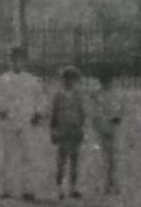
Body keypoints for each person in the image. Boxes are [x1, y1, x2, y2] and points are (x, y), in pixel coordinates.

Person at [0, 46, 46, 202]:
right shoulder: (2, 79)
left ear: (24, 61)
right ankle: (6, 189)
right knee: (8, 156)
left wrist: (38, 113)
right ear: (10, 61)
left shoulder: (32, 80)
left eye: (20, 59)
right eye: (14, 59)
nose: (17, 62)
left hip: (26, 121)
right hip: (9, 121)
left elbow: (41, 99)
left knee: (28, 155)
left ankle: (28, 189)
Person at [50, 66, 87, 200]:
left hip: (75, 130)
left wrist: (81, 128)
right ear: (62, 80)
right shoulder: (58, 96)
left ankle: (73, 188)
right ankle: (59, 188)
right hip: (62, 131)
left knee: (75, 161)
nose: (69, 82)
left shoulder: (78, 95)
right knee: (61, 161)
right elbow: (53, 115)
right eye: (66, 79)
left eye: (72, 79)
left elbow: (82, 114)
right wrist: (53, 132)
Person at [90, 68, 124, 195]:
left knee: (111, 159)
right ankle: (106, 184)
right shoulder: (98, 94)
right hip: (103, 128)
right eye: (106, 81)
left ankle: (110, 183)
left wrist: (117, 118)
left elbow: (119, 109)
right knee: (106, 158)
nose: (108, 83)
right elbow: (95, 112)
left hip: (110, 127)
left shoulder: (113, 93)